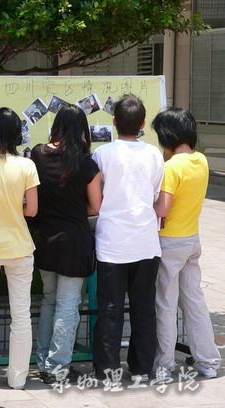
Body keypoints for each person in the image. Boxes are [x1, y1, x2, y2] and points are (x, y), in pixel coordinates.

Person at [92, 94, 164, 381]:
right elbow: (155, 194)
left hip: (111, 242)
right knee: (144, 309)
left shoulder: (102, 154)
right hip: (145, 241)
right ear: (143, 124)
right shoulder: (154, 155)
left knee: (110, 310)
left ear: (114, 122)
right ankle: (142, 368)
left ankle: (107, 370)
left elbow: (96, 197)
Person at [30, 104, 102, 383]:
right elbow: (95, 206)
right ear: (82, 130)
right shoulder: (86, 164)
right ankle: (58, 367)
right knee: (67, 305)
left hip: (44, 240)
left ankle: (44, 362)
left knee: (49, 300)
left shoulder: (38, 154)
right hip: (74, 242)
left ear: (57, 126)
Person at [152, 108, 221, 379]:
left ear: (167, 136)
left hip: (170, 242)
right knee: (194, 302)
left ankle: (164, 365)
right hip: (192, 239)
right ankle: (208, 362)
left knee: (166, 304)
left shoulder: (172, 167)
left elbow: (163, 209)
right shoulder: (200, 160)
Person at [0, 107, 40, 390]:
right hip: (19, 247)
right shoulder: (26, 166)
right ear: (16, 133)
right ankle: (18, 378)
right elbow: (32, 210)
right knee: (21, 315)